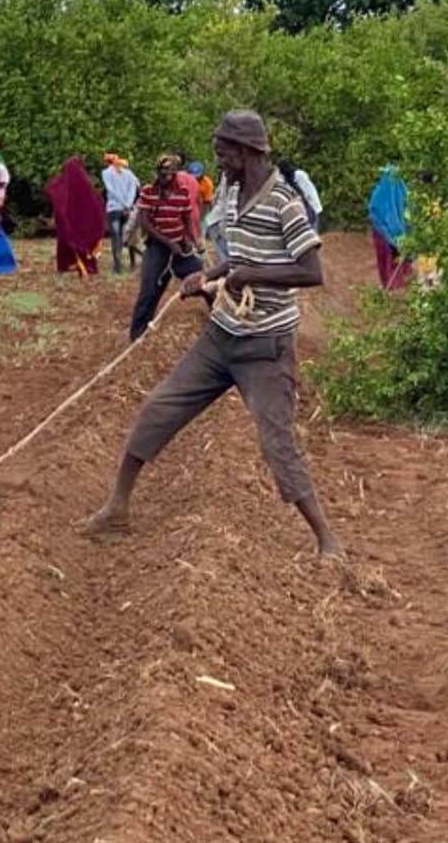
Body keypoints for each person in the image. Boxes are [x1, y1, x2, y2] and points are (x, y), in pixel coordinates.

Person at [81, 110, 343, 560]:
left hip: (266, 345)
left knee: (276, 442)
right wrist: (208, 275)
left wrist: (248, 275)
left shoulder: (284, 201)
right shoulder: (230, 191)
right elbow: (236, 255)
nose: (218, 161)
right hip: (223, 334)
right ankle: (117, 507)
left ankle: (327, 540)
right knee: (159, 407)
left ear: (246, 152)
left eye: (224, 152)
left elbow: (311, 271)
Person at [127, 155, 204, 341]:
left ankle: (222, 322)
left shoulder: (183, 190)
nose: (167, 178)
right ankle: (137, 333)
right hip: (157, 246)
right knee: (149, 289)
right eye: (163, 174)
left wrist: (193, 239)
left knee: (204, 280)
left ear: (175, 174)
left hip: (179, 246)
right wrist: (167, 242)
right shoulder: (148, 191)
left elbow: (186, 217)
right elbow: (145, 222)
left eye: (171, 174)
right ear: (158, 173)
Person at [47, 155, 106, 277]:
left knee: (73, 242)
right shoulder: (84, 183)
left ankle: (78, 265)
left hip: (69, 222)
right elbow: (97, 202)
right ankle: (85, 266)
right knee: (82, 243)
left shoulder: (64, 183)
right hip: (82, 223)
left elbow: (52, 190)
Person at [368, 166, 413, 291]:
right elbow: (408, 212)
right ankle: (402, 285)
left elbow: (373, 211)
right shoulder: (404, 191)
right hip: (400, 233)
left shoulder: (379, 192)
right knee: (398, 260)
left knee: (386, 260)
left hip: (382, 233)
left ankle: (390, 287)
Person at [102, 153, 140, 275]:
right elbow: (135, 187)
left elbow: (111, 190)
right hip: (127, 209)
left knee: (116, 237)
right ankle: (131, 263)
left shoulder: (106, 173)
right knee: (127, 236)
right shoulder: (129, 174)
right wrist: (128, 205)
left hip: (114, 208)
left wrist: (123, 204)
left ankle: (117, 267)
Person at [278, 159, 323, 231]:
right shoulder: (287, 179)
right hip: (303, 211)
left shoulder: (299, 176)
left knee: (311, 234)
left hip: (312, 208)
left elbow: (309, 194)